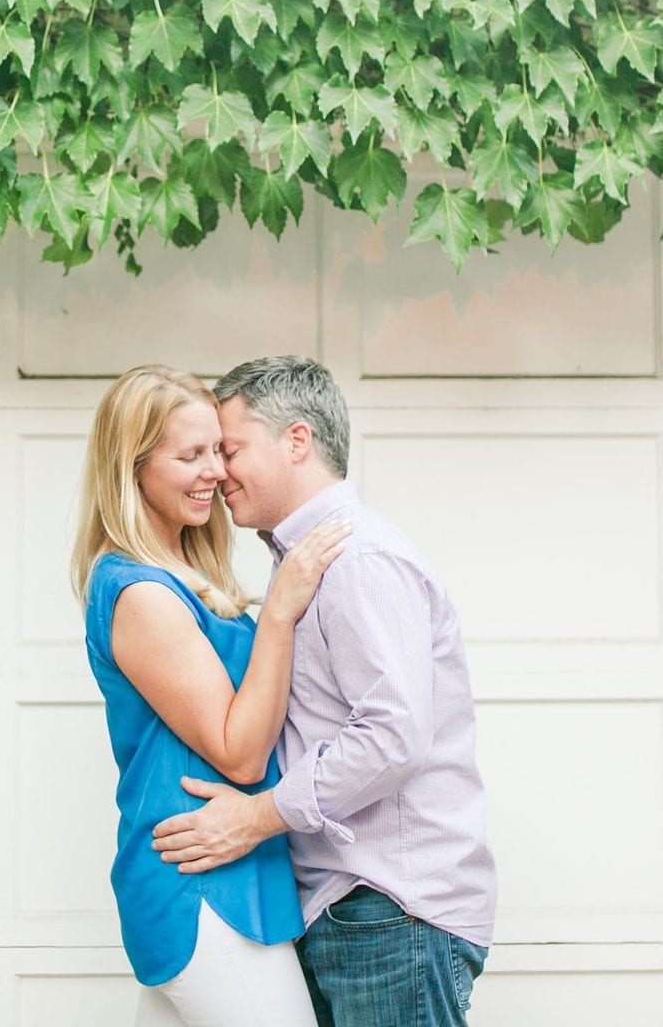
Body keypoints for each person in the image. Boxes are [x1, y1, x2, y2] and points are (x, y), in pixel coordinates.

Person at [150, 355, 498, 1027]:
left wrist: (253, 818)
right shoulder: (307, 562)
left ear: (297, 440)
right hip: (359, 911)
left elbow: (392, 737)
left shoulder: (357, 560)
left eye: (232, 449)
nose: (219, 472)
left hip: (390, 910)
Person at [71, 363, 352, 1027]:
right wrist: (279, 613)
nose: (216, 473)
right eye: (190, 455)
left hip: (234, 879)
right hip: (200, 889)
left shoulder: (185, 576)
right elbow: (240, 754)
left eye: (220, 453)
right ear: (132, 468)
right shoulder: (139, 592)